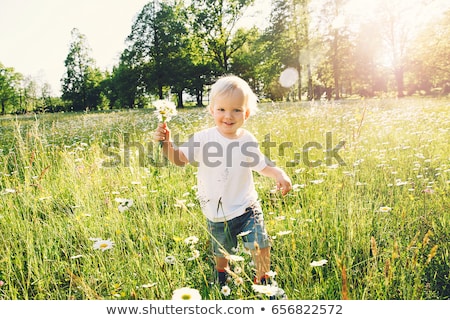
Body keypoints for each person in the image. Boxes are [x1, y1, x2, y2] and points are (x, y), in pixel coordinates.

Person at [153, 75, 292, 288]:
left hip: (247, 207)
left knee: (261, 244)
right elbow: (179, 160)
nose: (228, 116)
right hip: (217, 213)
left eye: (236, 110)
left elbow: (261, 164)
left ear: (246, 114)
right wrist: (167, 144)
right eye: (222, 110)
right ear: (212, 110)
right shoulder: (203, 138)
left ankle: (264, 279)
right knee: (222, 251)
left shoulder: (247, 140)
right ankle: (221, 274)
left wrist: (279, 174)